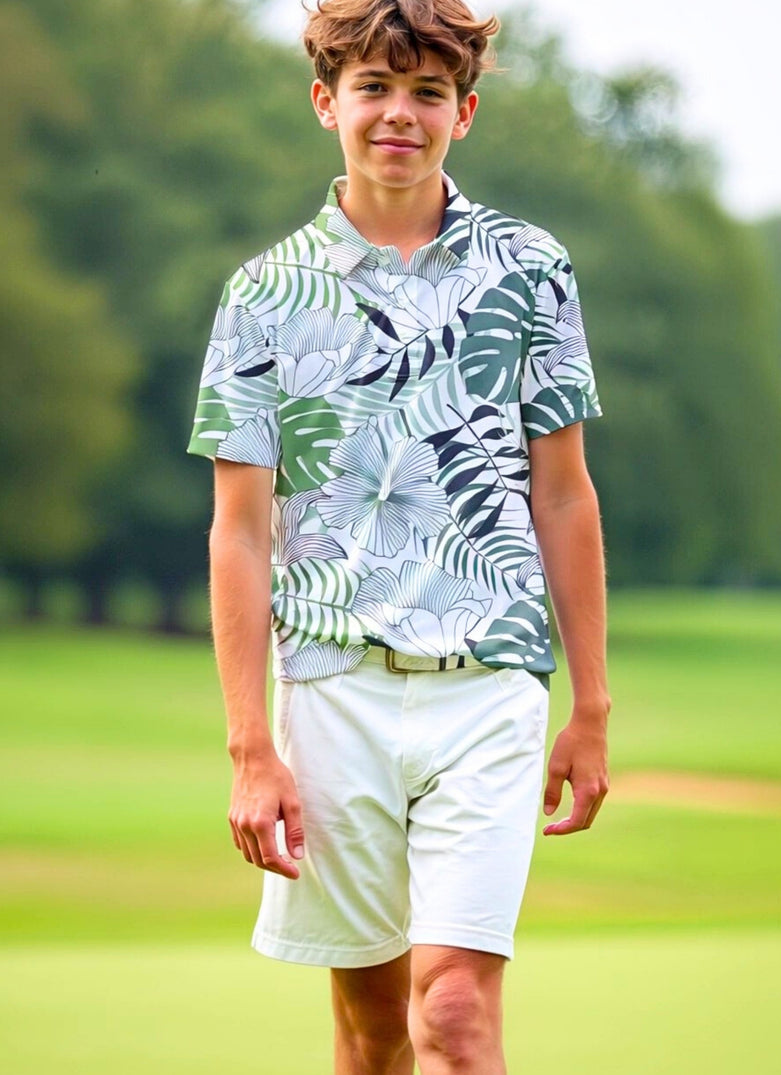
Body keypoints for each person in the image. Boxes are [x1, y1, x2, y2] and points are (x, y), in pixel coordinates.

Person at [187, 1, 610, 1071]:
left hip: (490, 686)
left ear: (462, 112)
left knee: (454, 1013)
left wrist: (591, 708)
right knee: (372, 1032)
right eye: (374, 88)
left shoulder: (530, 269)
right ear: (326, 100)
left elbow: (562, 495)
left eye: (426, 92)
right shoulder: (262, 296)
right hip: (332, 692)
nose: (398, 115)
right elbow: (238, 533)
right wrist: (251, 748)